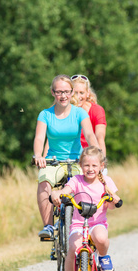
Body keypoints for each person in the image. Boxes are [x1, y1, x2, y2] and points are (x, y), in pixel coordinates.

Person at [33, 74, 99, 239]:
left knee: (86, 187)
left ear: (72, 93)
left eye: (67, 92)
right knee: (44, 180)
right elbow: (40, 137)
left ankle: (85, 225)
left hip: (76, 160)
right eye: (59, 92)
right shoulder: (45, 115)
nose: (63, 96)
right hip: (53, 161)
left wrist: (97, 155)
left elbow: (90, 135)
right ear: (53, 92)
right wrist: (38, 155)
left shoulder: (79, 113)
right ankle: (48, 226)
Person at [50, 146, 121, 271]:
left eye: (94, 165)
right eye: (86, 165)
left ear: (102, 166)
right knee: (73, 248)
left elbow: (113, 207)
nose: (90, 169)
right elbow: (66, 191)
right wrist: (58, 193)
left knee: (101, 238)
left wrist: (114, 200)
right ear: (80, 166)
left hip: (97, 224)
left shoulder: (106, 182)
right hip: (78, 224)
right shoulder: (77, 180)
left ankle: (103, 256)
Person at [70, 74, 107, 156]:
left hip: (89, 155)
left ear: (88, 93)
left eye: (81, 93)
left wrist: (102, 161)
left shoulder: (97, 110)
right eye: (75, 93)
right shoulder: (65, 110)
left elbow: (100, 138)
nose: (78, 96)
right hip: (69, 156)